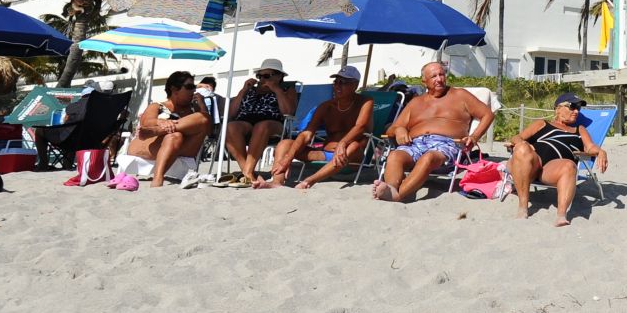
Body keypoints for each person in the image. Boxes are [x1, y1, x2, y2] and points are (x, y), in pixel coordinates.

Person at [373, 62, 493, 203]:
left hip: (446, 145)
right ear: (424, 81)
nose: (439, 79)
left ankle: (398, 195)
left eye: (441, 74)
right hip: (414, 143)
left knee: (428, 158)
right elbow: (393, 128)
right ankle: (391, 188)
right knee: (395, 156)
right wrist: (399, 129)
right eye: (434, 76)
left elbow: (487, 114)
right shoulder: (415, 102)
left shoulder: (460, 95)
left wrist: (474, 137)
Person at [258, 65, 372, 190]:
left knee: (354, 145)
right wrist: (288, 158)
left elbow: (360, 126)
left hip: (352, 157)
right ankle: (277, 182)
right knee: (284, 144)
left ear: (355, 85)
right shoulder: (326, 106)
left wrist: (342, 143)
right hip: (325, 154)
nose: (337, 86)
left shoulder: (365, 102)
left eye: (343, 82)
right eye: (336, 82)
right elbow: (307, 134)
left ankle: (310, 181)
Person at [509, 93, 607, 227]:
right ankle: (522, 207)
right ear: (558, 108)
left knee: (569, 165)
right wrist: (523, 144)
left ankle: (561, 216)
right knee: (521, 148)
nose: (576, 111)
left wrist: (601, 151)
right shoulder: (542, 124)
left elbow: (590, 147)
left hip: (552, 169)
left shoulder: (579, 130)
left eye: (578, 108)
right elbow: (516, 137)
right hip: (533, 162)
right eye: (572, 106)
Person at [123, 73, 212, 187]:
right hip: (152, 146)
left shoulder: (195, 110)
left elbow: (209, 131)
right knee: (175, 136)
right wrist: (161, 122)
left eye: (194, 87)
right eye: (189, 87)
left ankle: (158, 131)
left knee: (204, 117)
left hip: (185, 148)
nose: (194, 90)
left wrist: (202, 105)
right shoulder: (158, 106)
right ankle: (158, 178)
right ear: (174, 89)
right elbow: (146, 122)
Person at [226, 59, 295, 185]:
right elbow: (230, 114)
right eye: (259, 76)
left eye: (267, 76)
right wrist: (243, 91)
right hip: (246, 121)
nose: (262, 79)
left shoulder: (286, 90)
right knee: (230, 127)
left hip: (273, 123)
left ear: (279, 76)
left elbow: (288, 112)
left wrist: (276, 90)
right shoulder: (250, 91)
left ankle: (247, 173)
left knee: (262, 126)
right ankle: (248, 172)